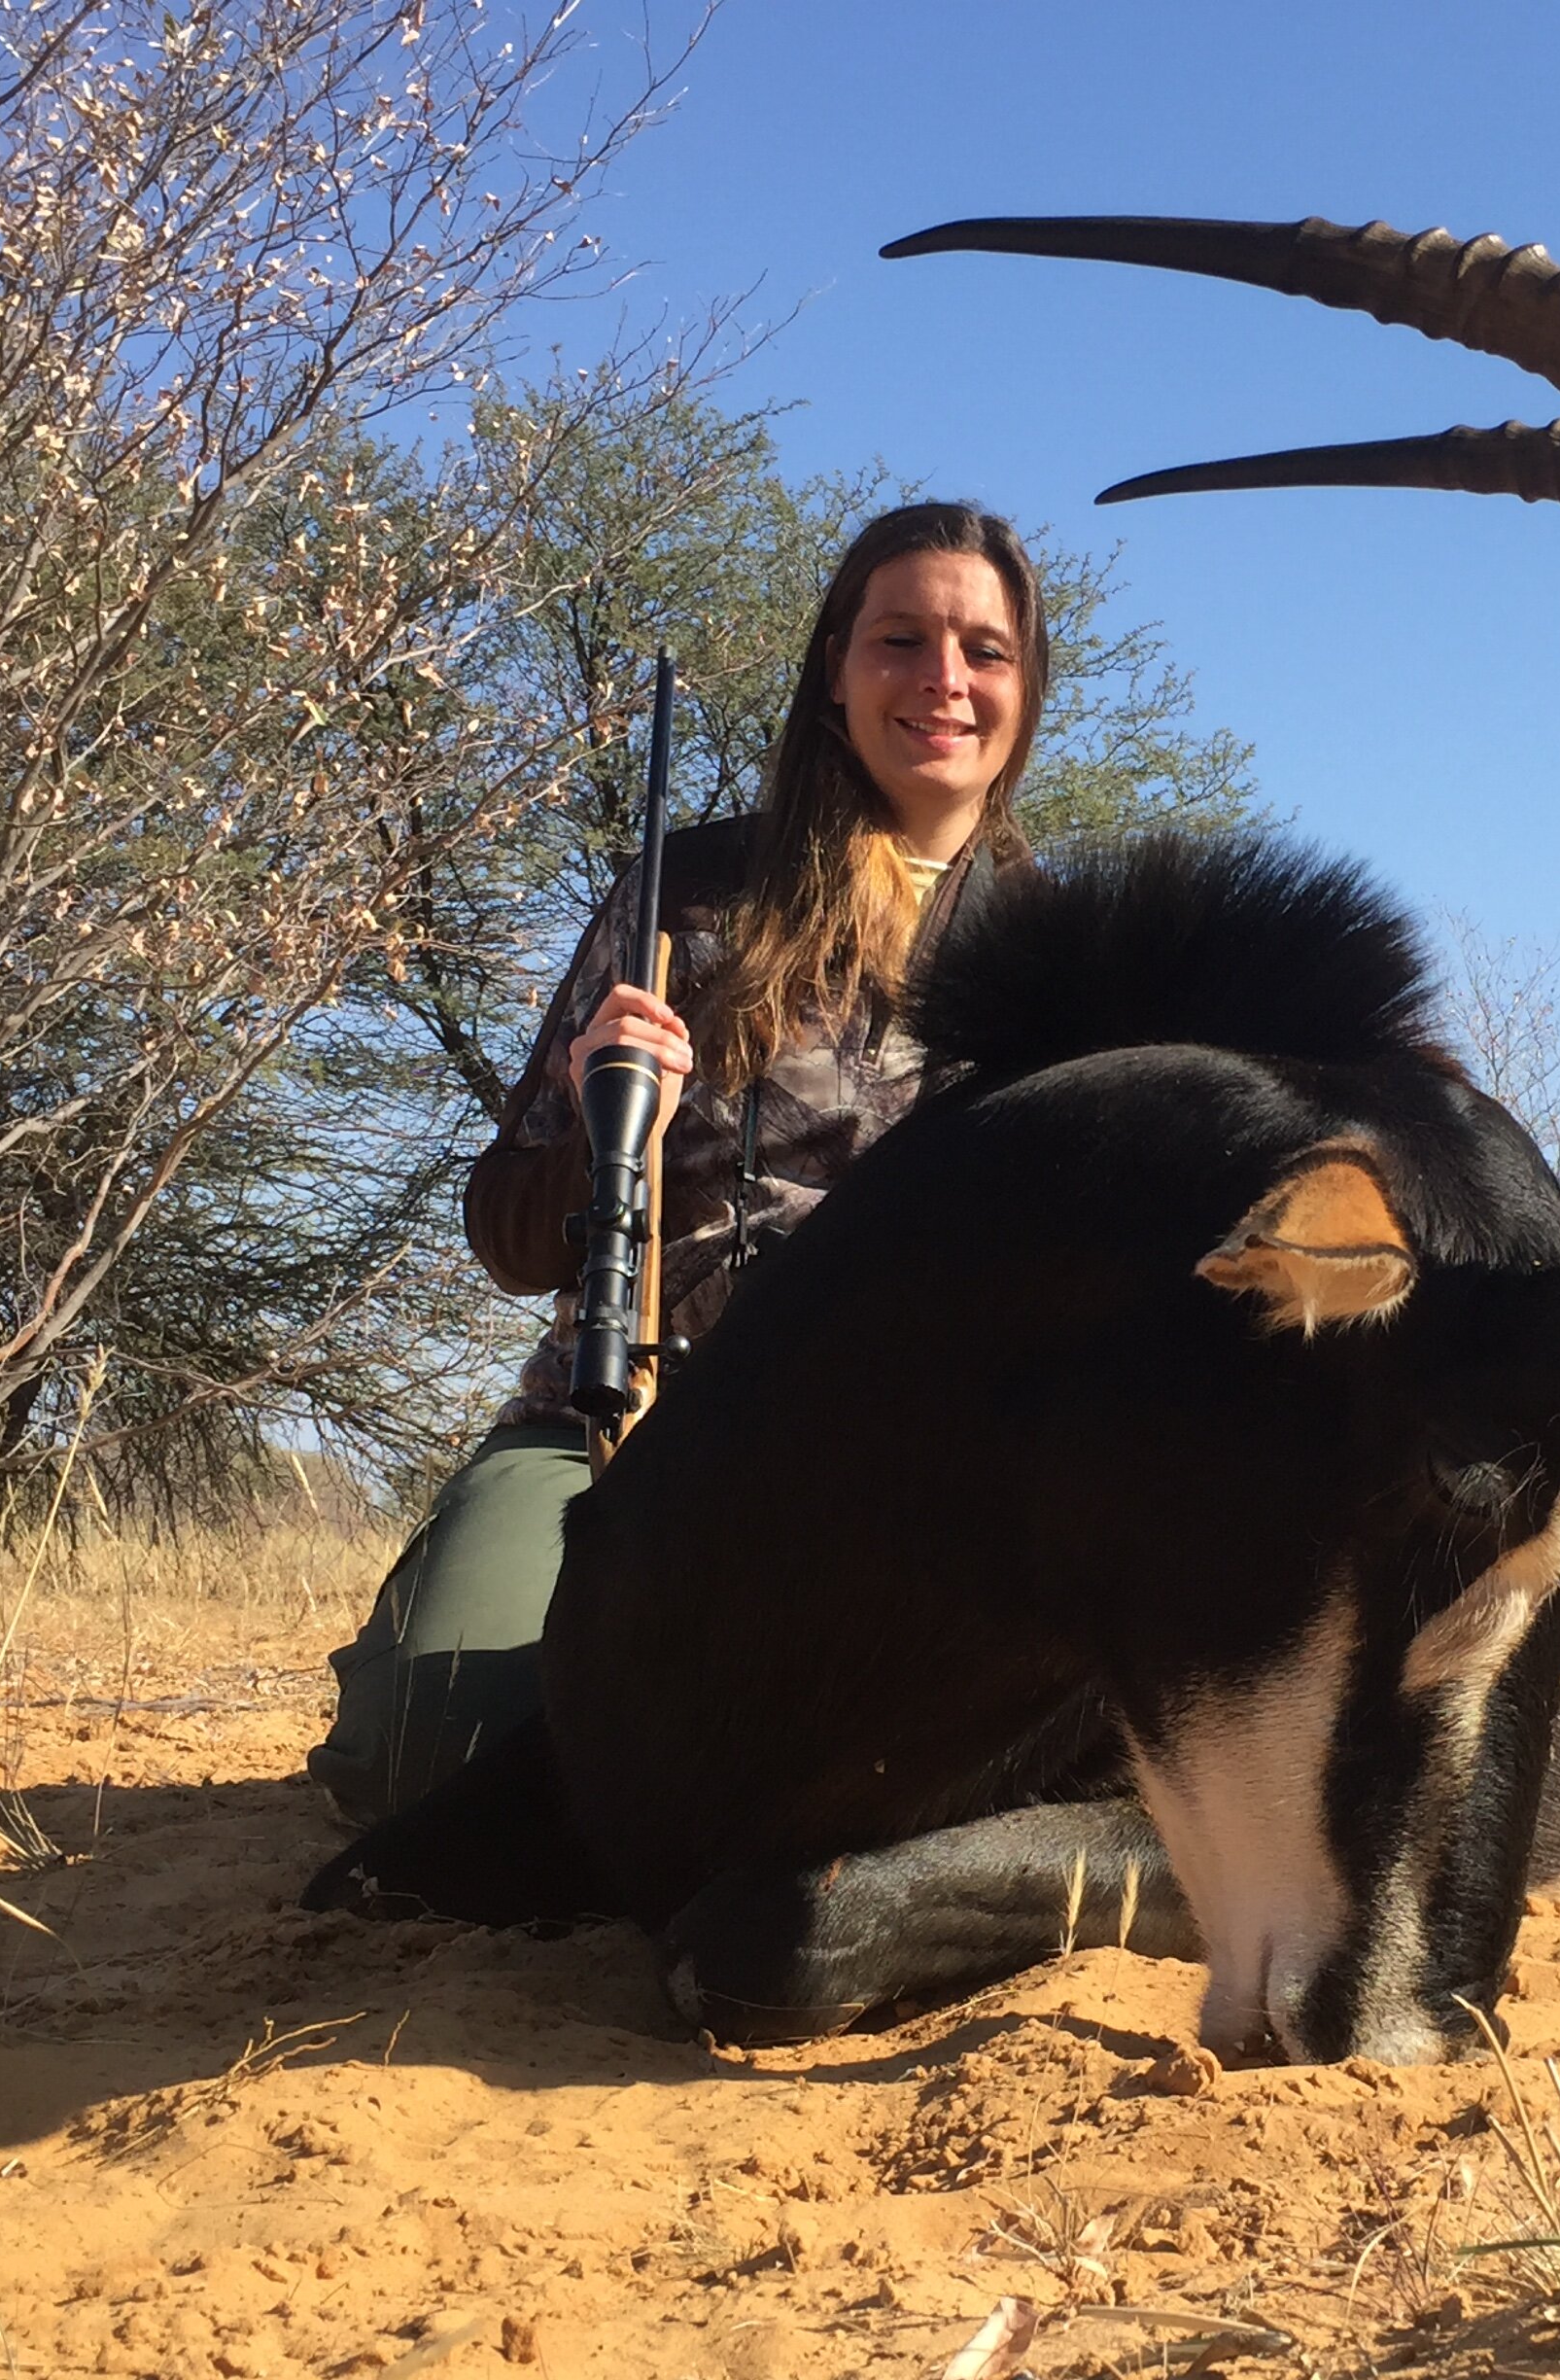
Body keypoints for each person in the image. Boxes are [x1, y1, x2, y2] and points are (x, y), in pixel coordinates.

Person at [308, 502, 1048, 1826]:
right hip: (620, 1432)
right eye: (901, 640)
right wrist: (606, 1128)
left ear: (1025, 687)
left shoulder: (1069, 952)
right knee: (424, 1756)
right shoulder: (691, 895)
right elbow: (509, 1234)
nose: (944, 680)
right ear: (837, 668)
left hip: (916, 1476)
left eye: (983, 651)